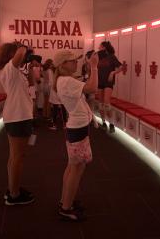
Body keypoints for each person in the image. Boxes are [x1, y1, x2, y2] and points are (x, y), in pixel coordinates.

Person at [53, 50, 99, 221]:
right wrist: (94, 67)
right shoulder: (66, 81)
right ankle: (66, 207)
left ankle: (65, 201)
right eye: (72, 61)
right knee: (76, 168)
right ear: (63, 64)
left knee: (72, 167)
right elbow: (93, 88)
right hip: (77, 127)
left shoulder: (63, 80)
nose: (76, 63)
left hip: (76, 126)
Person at [0, 42, 35, 205]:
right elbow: (19, 55)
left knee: (16, 157)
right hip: (18, 118)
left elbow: (31, 83)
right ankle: (14, 195)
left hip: (19, 117)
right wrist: (24, 47)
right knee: (17, 157)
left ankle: (13, 189)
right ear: (13, 54)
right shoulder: (9, 69)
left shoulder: (15, 71)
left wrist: (30, 65)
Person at [97, 41, 127, 133]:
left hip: (108, 82)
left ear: (104, 48)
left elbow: (121, 67)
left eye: (100, 47)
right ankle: (103, 122)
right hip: (99, 81)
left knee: (106, 101)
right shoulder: (98, 57)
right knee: (101, 102)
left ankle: (111, 123)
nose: (99, 48)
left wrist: (113, 72)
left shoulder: (111, 57)